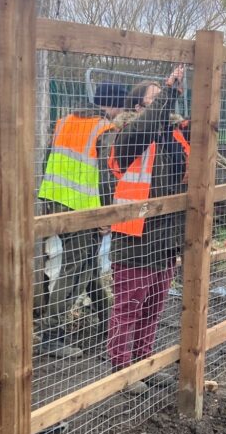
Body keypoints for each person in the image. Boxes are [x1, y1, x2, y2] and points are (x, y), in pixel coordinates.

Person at [101, 66, 190, 391]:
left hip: (165, 238)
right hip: (135, 236)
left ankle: (143, 361)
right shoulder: (127, 135)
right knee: (128, 306)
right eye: (154, 100)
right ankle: (121, 370)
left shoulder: (172, 137)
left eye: (164, 99)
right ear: (137, 107)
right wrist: (168, 89)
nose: (164, 106)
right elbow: (149, 125)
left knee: (153, 306)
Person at [36, 81, 128, 356]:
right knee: (76, 267)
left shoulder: (65, 121)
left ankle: (107, 322)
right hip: (85, 208)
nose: (121, 111)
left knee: (86, 265)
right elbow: (106, 176)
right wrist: (106, 216)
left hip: (57, 202)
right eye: (121, 106)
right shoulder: (104, 128)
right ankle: (52, 334)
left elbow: (48, 161)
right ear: (112, 104)